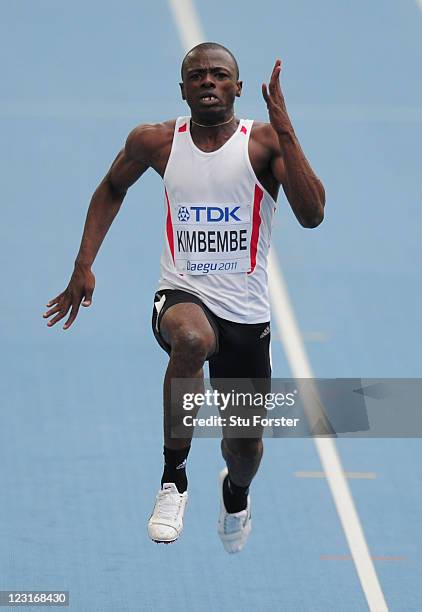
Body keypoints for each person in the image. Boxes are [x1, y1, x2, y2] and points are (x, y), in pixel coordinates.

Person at [43, 42, 325, 553]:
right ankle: (173, 480)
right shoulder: (157, 142)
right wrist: (83, 264)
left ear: (238, 88)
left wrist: (286, 129)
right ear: (183, 89)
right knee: (191, 340)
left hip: (246, 315)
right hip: (182, 294)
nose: (209, 82)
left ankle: (235, 494)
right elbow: (111, 185)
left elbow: (313, 214)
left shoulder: (263, 146)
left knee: (244, 449)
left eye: (220, 75)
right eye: (198, 76)